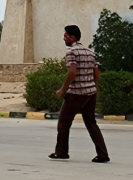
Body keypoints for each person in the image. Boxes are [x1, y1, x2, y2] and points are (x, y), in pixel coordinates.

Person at [49, 25, 110, 163]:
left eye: (66, 35)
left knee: (64, 122)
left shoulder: (71, 52)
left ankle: (61, 151)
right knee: (91, 122)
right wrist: (93, 86)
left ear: (72, 37)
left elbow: (72, 72)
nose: (64, 38)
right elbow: (96, 72)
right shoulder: (90, 52)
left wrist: (62, 89)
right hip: (90, 92)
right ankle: (102, 154)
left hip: (76, 93)